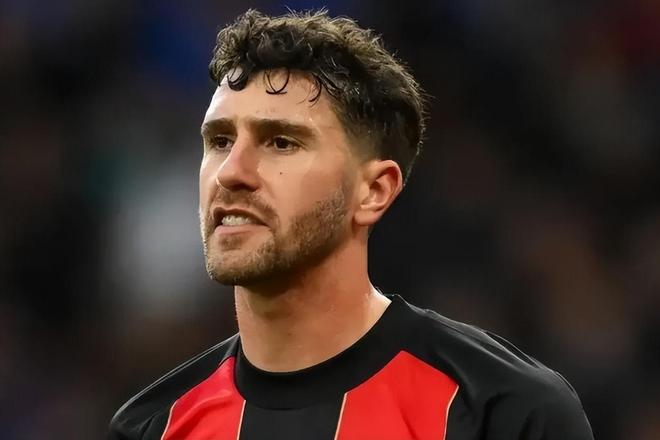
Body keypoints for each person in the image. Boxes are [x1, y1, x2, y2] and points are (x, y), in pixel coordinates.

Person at [108, 9, 593, 440]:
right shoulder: (151, 426)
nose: (231, 172)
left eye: (281, 142)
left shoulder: (500, 413)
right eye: (219, 141)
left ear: (374, 191)